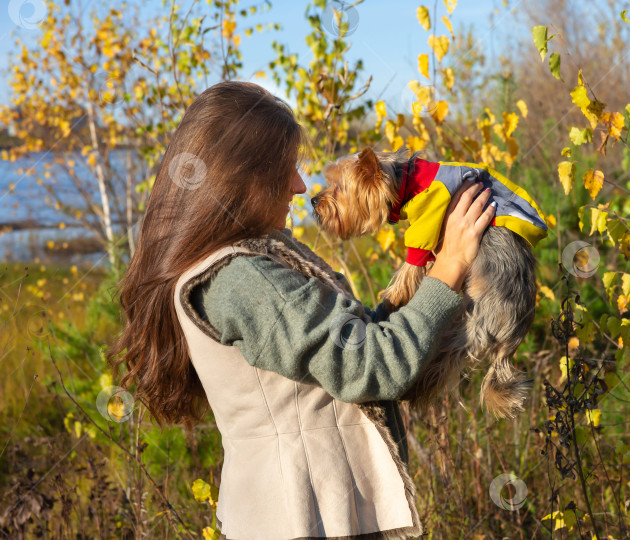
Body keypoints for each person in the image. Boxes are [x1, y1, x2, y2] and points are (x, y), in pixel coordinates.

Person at [108, 81, 495, 540]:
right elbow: (372, 366)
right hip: (303, 519)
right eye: (286, 169)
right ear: (243, 175)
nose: (299, 185)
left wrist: (418, 279)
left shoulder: (243, 263)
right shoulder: (243, 279)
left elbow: (352, 342)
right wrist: (449, 266)